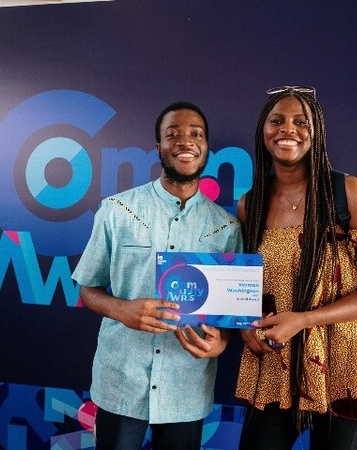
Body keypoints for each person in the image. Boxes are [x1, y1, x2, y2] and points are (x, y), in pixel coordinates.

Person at [235, 86, 357, 449]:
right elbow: (252, 284)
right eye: (276, 121)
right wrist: (246, 322)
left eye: (300, 122)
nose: (287, 129)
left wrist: (304, 319)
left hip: (346, 359)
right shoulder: (252, 204)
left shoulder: (347, 191)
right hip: (280, 361)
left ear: (317, 132)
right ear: (262, 131)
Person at [72, 101, 243, 450]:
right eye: (173, 134)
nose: (185, 142)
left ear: (207, 148)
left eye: (196, 134)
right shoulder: (117, 210)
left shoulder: (225, 227)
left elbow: (230, 315)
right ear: (159, 148)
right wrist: (123, 310)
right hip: (122, 379)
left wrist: (219, 345)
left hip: (187, 385)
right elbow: (88, 288)